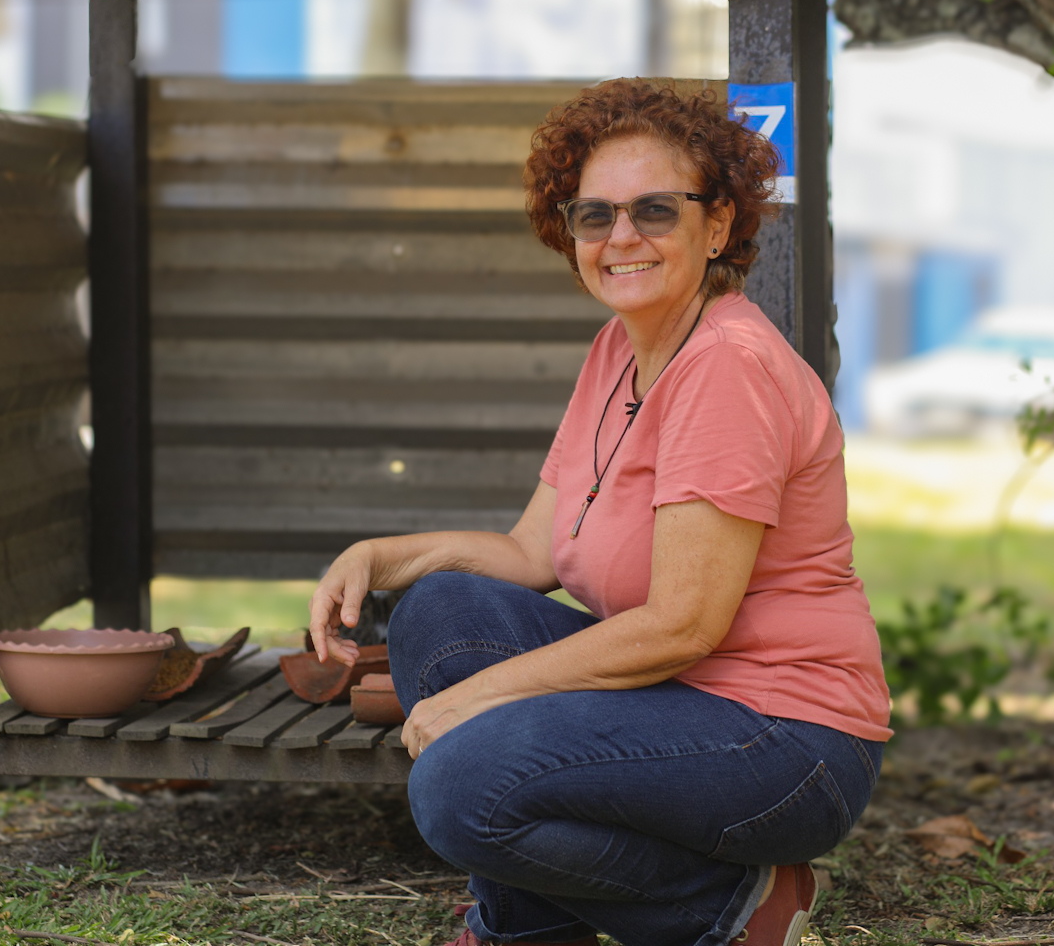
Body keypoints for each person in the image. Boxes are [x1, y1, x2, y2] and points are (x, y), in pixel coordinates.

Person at [308, 78, 890, 946]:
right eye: (595, 215)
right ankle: (527, 926)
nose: (622, 237)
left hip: (782, 742)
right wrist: (383, 556)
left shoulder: (726, 369)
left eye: (655, 210)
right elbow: (530, 553)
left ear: (718, 224)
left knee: (460, 788)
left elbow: (681, 626)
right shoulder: (621, 348)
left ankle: (737, 908)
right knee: (442, 608)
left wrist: (477, 703)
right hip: (679, 701)